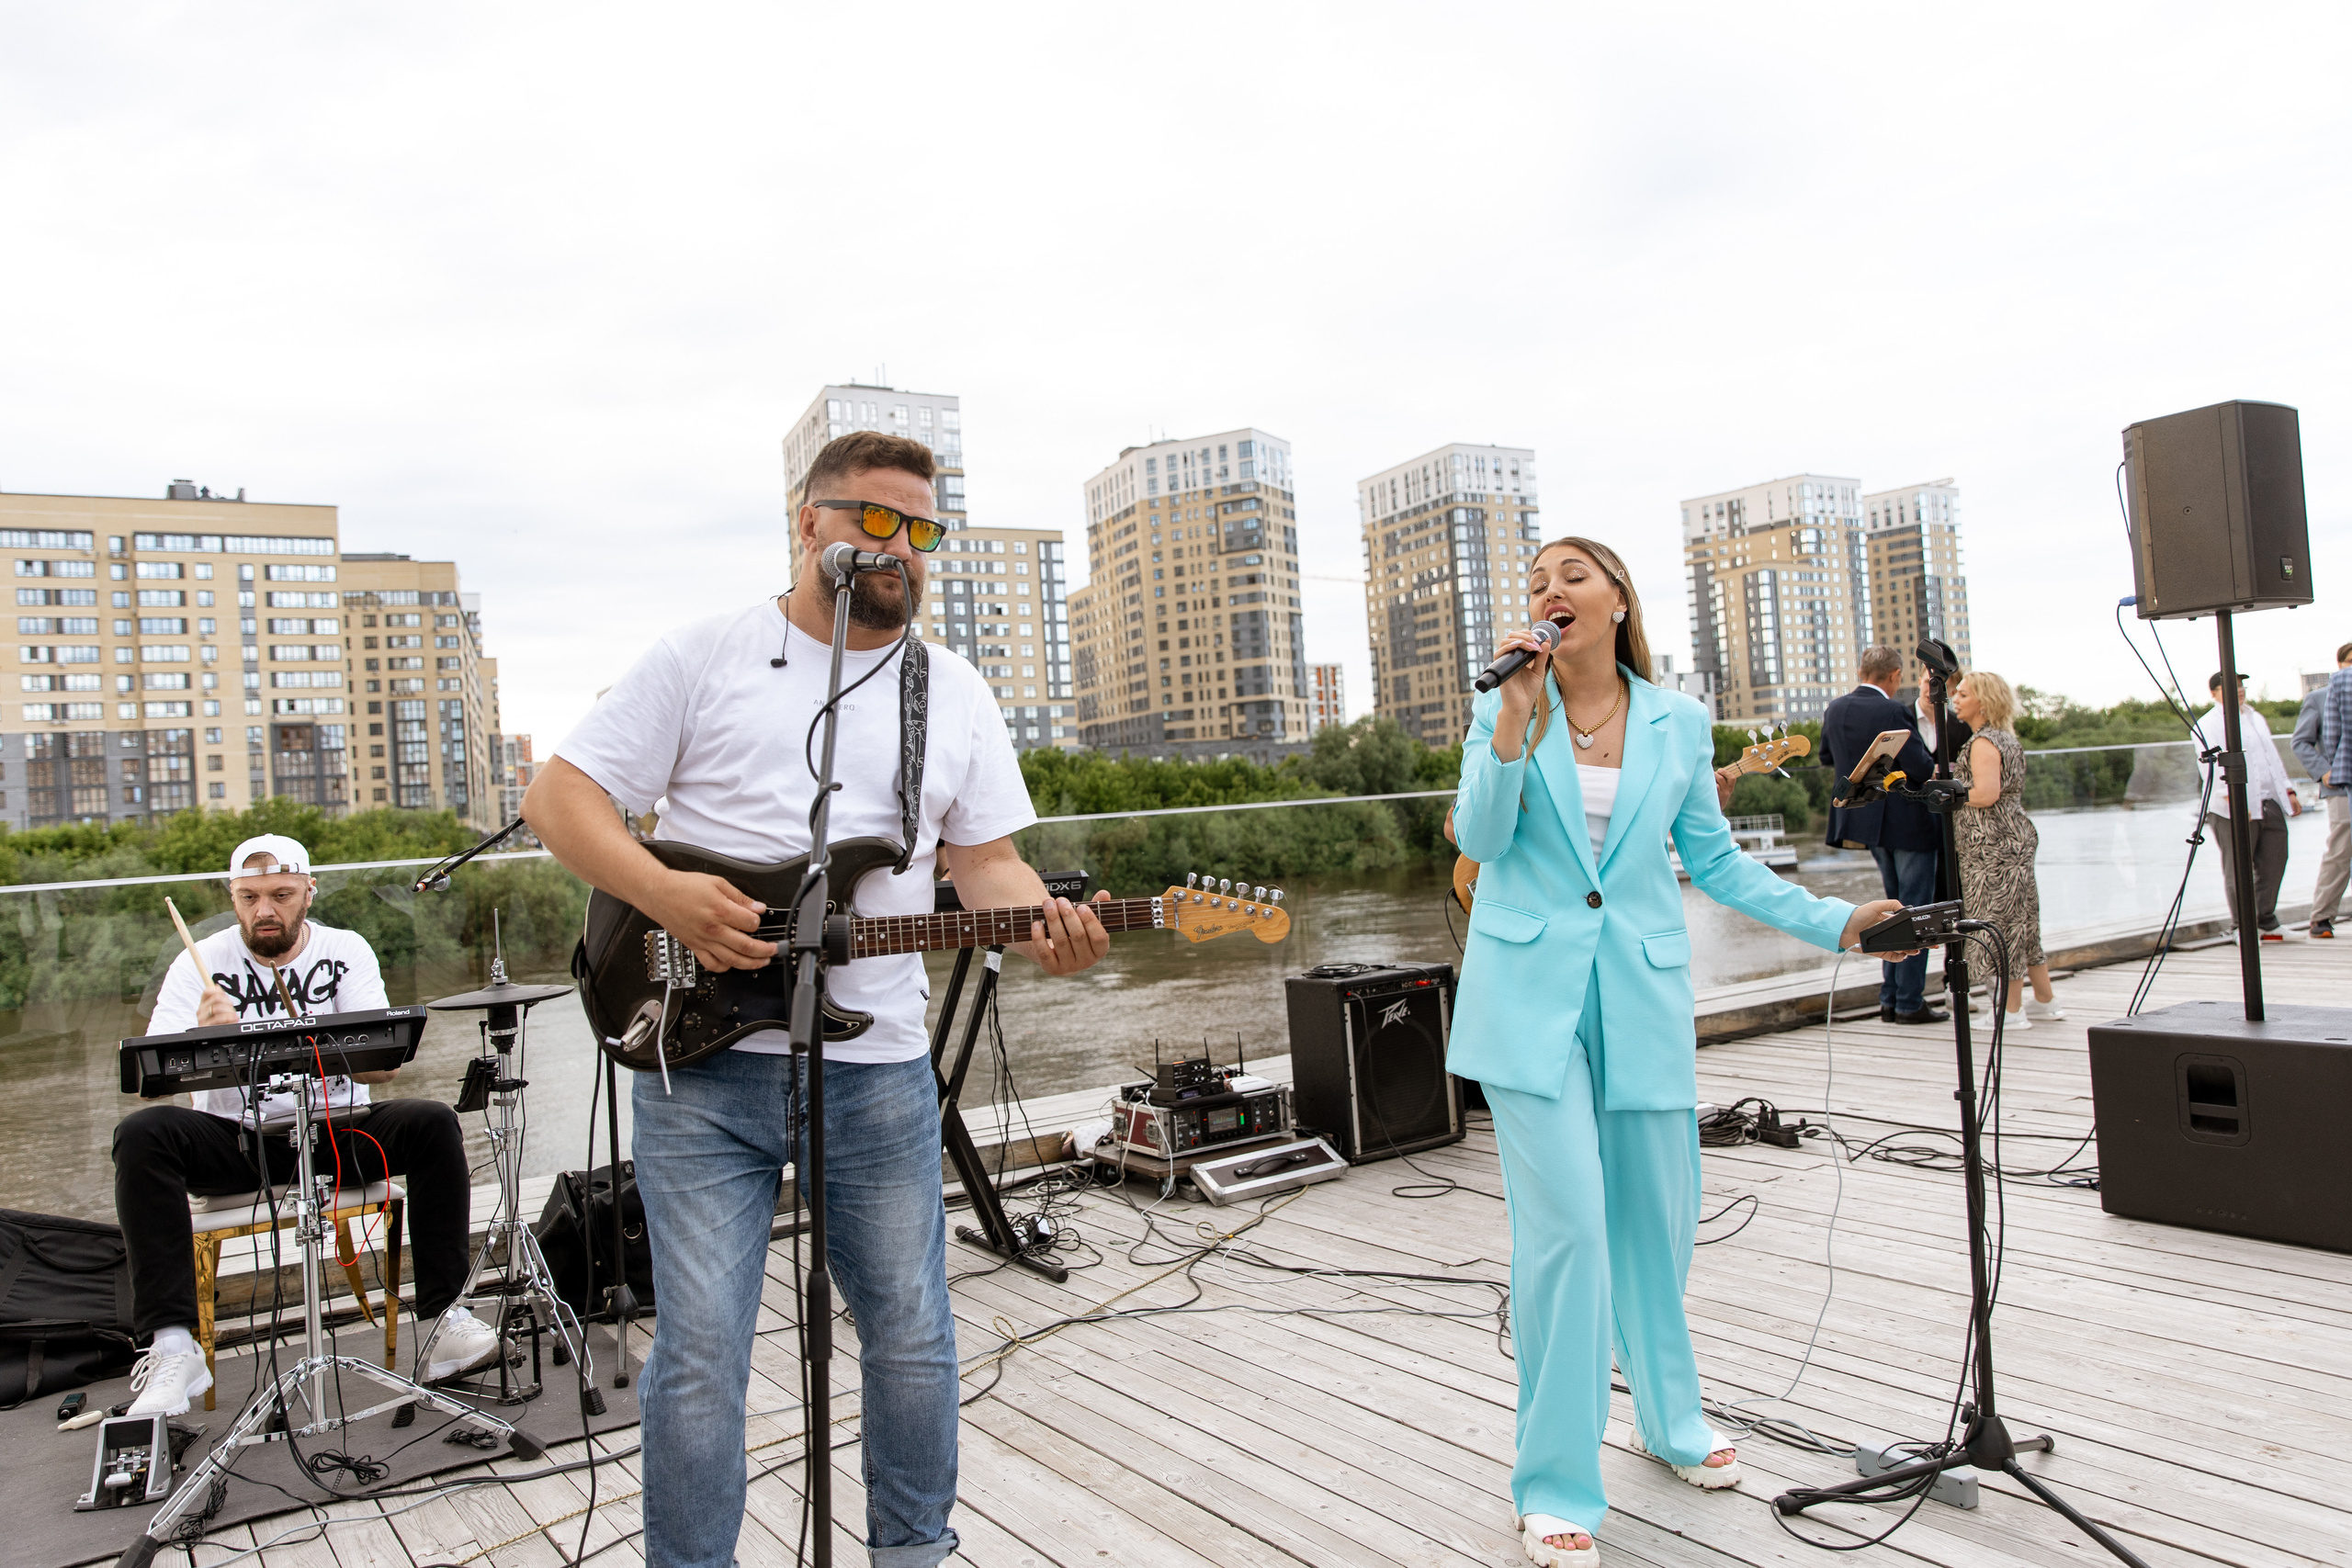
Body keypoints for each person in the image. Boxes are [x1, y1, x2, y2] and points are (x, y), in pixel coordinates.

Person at [525, 431, 1113, 1568]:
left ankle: (911, 1552)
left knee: (910, 1335)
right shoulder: (704, 654)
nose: (901, 549)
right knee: (699, 1349)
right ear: (810, 525)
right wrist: (670, 897)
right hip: (696, 1066)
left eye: (922, 530)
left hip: (878, 1070)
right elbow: (560, 798)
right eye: (874, 522)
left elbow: (983, 864)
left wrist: (1047, 928)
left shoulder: (953, 689)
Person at [1448, 536, 1908, 1566]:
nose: (1549, 592)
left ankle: (1671, 1420)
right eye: (1536, 583)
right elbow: (1479, 836)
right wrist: (1514, 718)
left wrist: (1834, 922)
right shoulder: (1506, 706)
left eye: (1571, 576)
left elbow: (1714, 863)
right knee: (1566, 1231)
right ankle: (1555, 1481)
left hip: (1641, 994)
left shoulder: (1677, 720)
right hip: (1529, 1005)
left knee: (1656, 1219)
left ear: (1616, 598)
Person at [109, 834, 500, 1417]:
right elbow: (155, 1082)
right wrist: (200, 1037)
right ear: (233, 897)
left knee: (433, 1123)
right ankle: (171, 1346)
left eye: (280, 895)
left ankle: (445, 1319)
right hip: (240, 1144)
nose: (264, 910)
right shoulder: (202, 960)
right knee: (142, 1136)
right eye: (248, 897)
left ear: (308, 893)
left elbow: (386, 1070)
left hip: (337, 1133)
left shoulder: (348, 949)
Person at [1819, 645, 1946, 1023]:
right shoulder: (1893, 709)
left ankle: (1890, 999)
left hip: (1865, 820)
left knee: (1891, 909)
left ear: (1862, 670)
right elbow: (1920, 767)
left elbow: (1828, 758)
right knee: (1915, 908)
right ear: (1893, 675)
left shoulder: (1835, 708)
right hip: (1907, 823)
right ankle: (1908, 1001)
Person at [1949, 673, 2064, 1026]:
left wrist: (1948, 792)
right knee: (2024, 921)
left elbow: (1985, 794)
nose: (1955, 698)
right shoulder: (2006, 739)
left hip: (1992, 847)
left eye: (1963, 694)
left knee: (1999, 924)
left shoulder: (1983, 743)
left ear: (1982, 702)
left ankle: (2010, 1012)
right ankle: (2044, 1000)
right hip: (2011, 839)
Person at [2191, 671, 2298, 941]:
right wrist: (2233, 800)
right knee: (2238, 866)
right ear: (2214, 693)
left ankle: (2266, 921)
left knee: (2275, 860)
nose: (2239, 690)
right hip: (2233, 806)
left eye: (2241, 685)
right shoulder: (2207, 724)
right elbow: (2211, 769)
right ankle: (2242, 925)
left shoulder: (2255, 717)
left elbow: (2271, 758)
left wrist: (2288, 790)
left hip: (2267, 799)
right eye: (2231, 686)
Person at [2293, 643, 2352, 937]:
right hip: (2341, 785)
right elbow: (2300, 742)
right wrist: (2324, 771)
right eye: (2351, 661)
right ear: (2339, 664)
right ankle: (2321, 918)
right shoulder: (2318, 698)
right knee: (2341, 850)